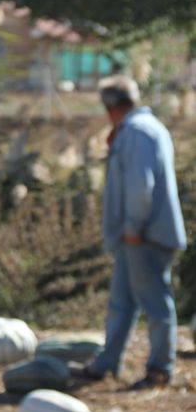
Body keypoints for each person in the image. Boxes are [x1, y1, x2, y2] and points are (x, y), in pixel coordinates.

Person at [78, 76, 187, 389]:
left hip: (144, 235)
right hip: (137, 235)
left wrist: (133, 227)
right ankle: (106, 363)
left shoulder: (138, 132)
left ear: (110, 107)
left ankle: (160, 369)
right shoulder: (140, 128)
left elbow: (141, 187)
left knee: (155, 303)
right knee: (122, 302)